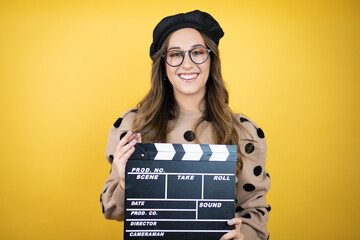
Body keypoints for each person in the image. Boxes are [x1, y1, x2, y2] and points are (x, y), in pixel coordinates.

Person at [100, 10, 270, 240]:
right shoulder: (132, 125)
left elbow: (254, 207)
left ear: (212, 59)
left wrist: (244, 235)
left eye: (197, 52)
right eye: (175, 54)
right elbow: (112, 211)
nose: (187, 64)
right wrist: (123, 181)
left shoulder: (244, 132)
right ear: (163, 64)